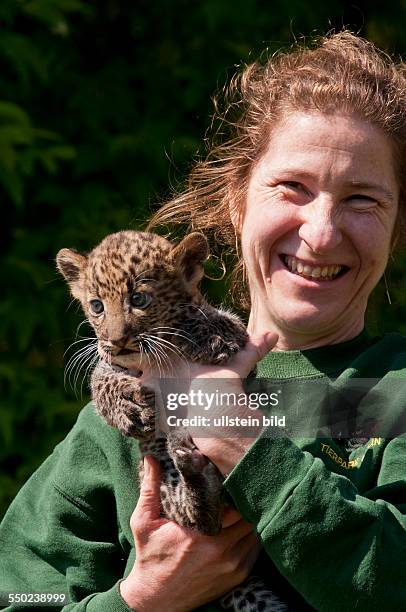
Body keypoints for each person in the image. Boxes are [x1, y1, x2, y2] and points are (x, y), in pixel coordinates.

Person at [1, 30, 406, 612]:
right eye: (293, 187)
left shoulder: (392, 393)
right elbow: (18, 595)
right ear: (238, 202)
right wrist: (139, 598)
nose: (321, 232)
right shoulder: (132, 401)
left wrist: (241, 438)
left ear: (396, 228)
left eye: (363, 199)